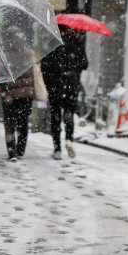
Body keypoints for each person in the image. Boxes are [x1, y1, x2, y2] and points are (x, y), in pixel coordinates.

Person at [40, 26, 88, 160]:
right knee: (69, 115)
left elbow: (44, 68)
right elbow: (85, 64)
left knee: (55, 118)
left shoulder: (51, 45)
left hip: (55, 87)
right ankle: (69, 140)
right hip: (71, 86)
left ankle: (57, 149)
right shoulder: (76, 43)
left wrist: (49, 83)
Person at [0, 67, 35, 160]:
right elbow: (32, 76)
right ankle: (20, 150)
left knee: (9, 124)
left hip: (9, 96)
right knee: (23, 123)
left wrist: (2, 90)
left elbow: (1, 79)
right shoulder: (28, 57)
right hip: (25, 95)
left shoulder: (5, 58)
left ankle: (11, 151)